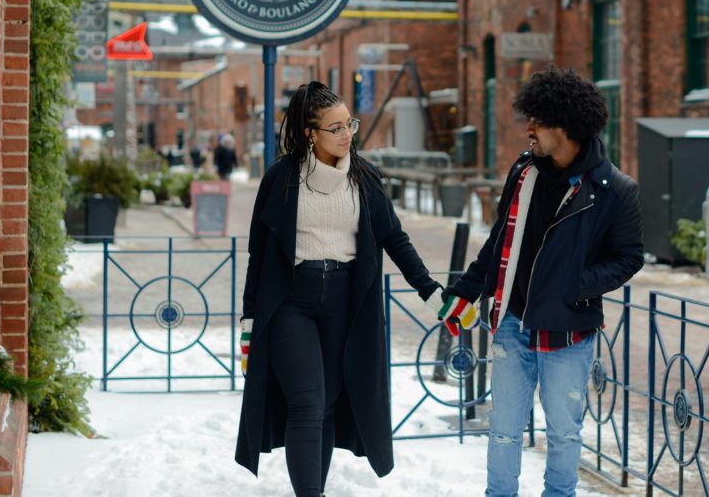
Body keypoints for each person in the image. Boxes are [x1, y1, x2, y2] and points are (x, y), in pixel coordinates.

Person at [235, 81, 448, 496]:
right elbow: (258, 253)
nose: (347, 133)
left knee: (329, 405)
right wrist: (249, 317)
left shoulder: (365, 177)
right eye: (335, 127)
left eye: (349, 123)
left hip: (346, 304)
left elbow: (395, 238)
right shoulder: (281, 179)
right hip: (291, 303)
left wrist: (431, 291)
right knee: (308, 404)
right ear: (310, 133)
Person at [440, 66, 644, 497]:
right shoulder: (524, 172)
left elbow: (628, 259)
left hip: (568, 332)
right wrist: (465, 290)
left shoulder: (613, 190)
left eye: (539, 120)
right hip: (512, 324)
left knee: (564, 434)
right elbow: (499, 243)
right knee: (503, 430)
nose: (528, 128)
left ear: (566, 127)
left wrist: (574, 284)